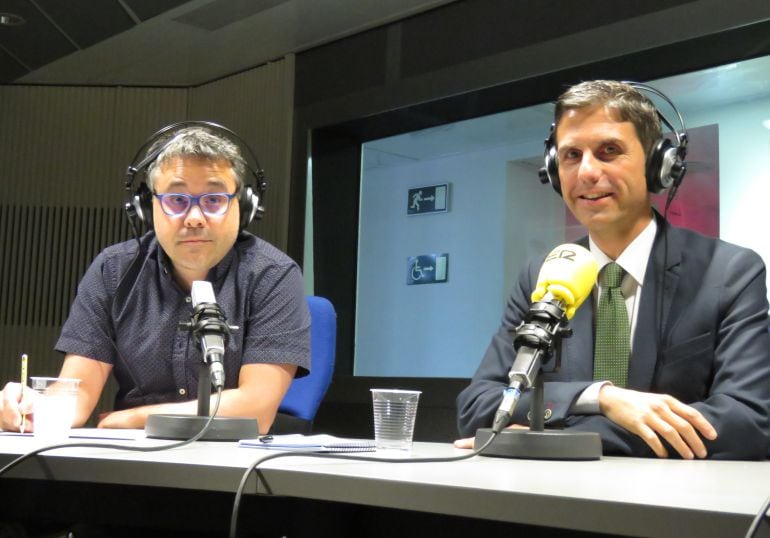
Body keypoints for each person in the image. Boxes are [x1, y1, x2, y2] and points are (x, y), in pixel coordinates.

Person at [456, 80, 770, 460]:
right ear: (555, 171)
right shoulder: (542, 275)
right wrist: (602, 398)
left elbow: (747, 421)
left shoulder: (729, 273)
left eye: (609, 151)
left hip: (675, 511)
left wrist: (555, 434)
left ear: (658, 165)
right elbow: (478, 405)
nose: (587, 172)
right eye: (571, 155)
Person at [0, 125, 310, 434]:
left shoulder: (274, 276)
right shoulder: (113, 271)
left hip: (230, 464)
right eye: (176, 200)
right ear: (147, 207)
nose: (194, 217)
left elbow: (255, 410)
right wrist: (33, 409)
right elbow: (78, 394)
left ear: (244, 206)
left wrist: (131, 418)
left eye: (214, 200)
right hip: (135, 465)